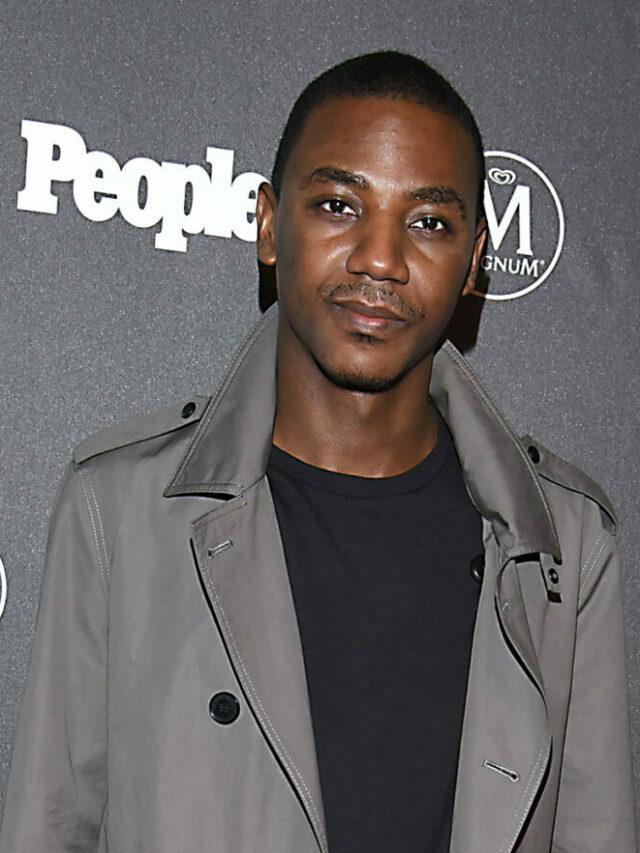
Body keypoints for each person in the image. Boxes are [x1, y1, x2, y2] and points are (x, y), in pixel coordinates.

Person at [0, 50, 636, 853]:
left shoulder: (562, 544)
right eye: (339, 205)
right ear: (269, 225)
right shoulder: (122, 507)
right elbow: (47, 829)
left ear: (477, 260)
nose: (380, 258)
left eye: (429, 221)